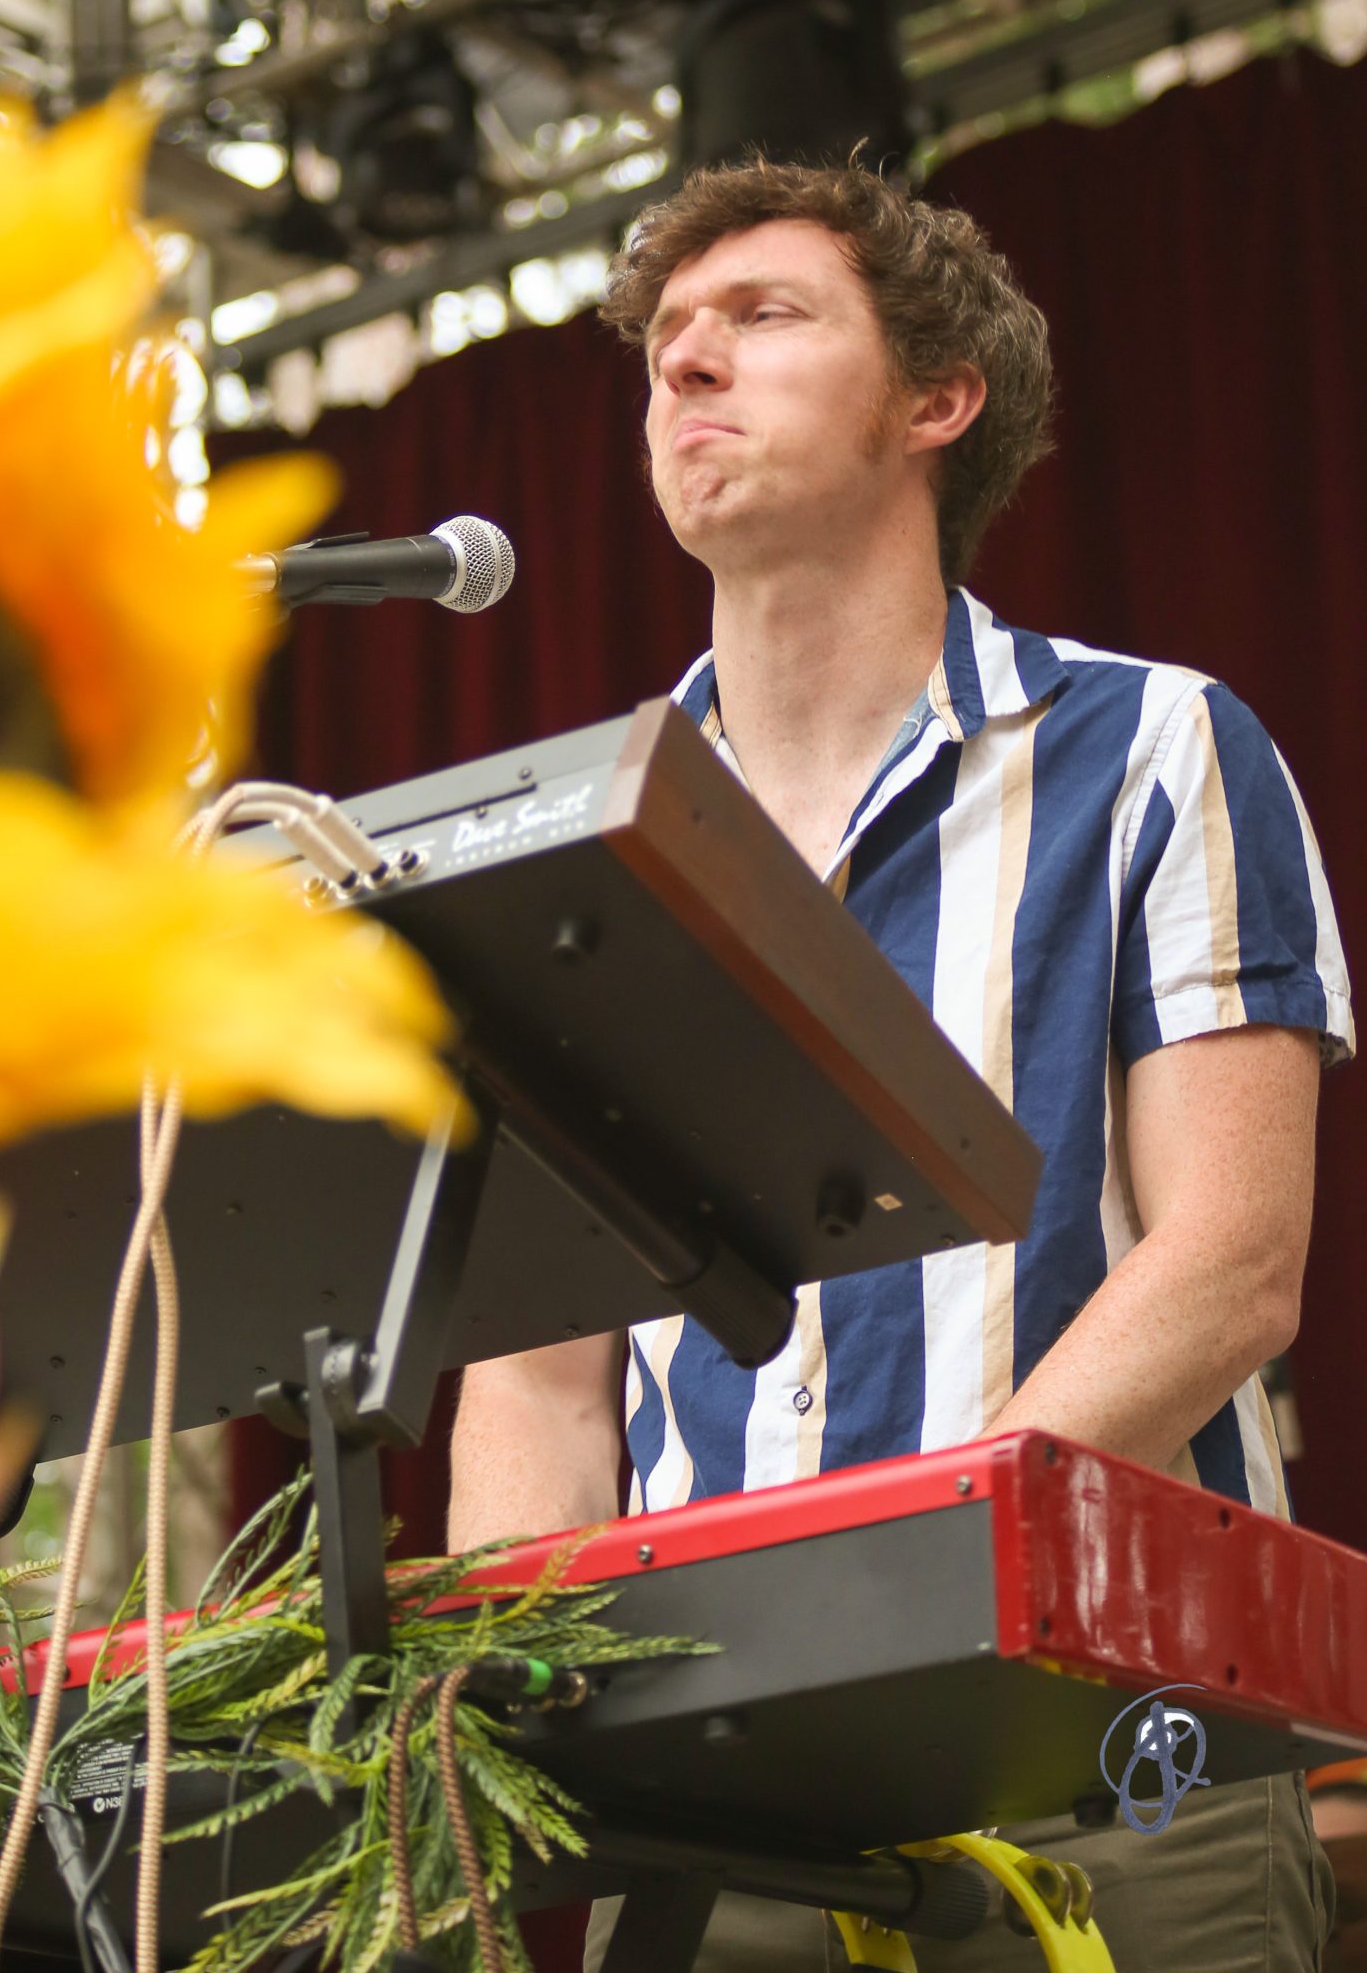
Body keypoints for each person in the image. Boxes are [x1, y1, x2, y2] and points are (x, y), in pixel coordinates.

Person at [446, 157, 1352, 1972]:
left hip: (1109, 1746)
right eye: (664, 345)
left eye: (761, 318)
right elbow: (541, 1383)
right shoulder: (568, 855)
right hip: (708, 1793)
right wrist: (509, 1723)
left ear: (938, 402)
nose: (685, 366)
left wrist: (892, 1609)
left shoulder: (1160, 746)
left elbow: (1233, 1265)